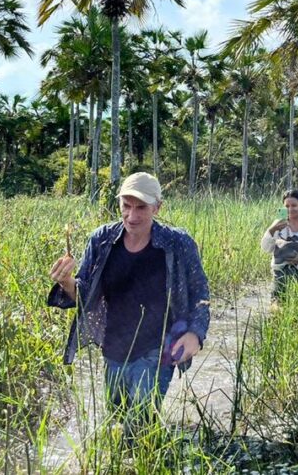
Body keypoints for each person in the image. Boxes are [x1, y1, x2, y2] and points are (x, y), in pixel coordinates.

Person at [47, 171, 210, 428]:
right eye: (126, 206)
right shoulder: (102, 240)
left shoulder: (178, 243)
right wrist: (66, 282)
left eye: (141, 207)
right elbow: (85, 295)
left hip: (158, 348)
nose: (132, 216)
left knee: (139, 425)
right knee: (116, 421)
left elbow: (200, 293)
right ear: (119, 204)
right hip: (114, 348)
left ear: (158, 207)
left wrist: (195, 334)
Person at [260, 189, 298, 299]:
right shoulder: (278, 224)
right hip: (280, 273)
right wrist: (272, 230)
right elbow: (266, 248)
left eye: (294, 205)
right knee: (277, 305)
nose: (290, 209)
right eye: (287, 206)